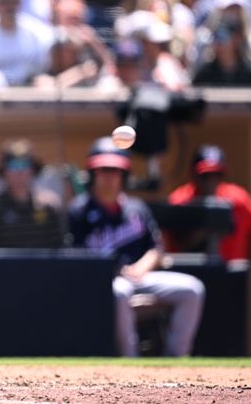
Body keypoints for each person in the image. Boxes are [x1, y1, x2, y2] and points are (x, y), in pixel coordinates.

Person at [67, 136, 205, 357]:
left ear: (124, 175)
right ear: (93, 173)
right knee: (120, 291)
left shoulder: (136, 208)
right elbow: (78, 257)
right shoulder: (79, 211)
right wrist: (116, 270)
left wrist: (142, 267)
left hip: (142, 276)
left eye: (115, 171)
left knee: (192, 289)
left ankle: (177, 358)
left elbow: (156, 249)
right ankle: (130, 360)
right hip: (107, 281)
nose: (109, 177)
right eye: (104, 170)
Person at [168, 145, 251, 262]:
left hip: (230, 274)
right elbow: (171, 243)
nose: (210, 181)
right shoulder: (180, 201)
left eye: (216, 175)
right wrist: (203, 229)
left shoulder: (239, 199)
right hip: (190, 275)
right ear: (192, 174)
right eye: (205, 175)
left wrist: (250, 265)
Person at [0, 139, 62, 249]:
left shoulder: (49, 206)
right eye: (13, 165)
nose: (20, 172)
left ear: (33, 169)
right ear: (4, 171)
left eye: (24, 165)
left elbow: (58, 249)